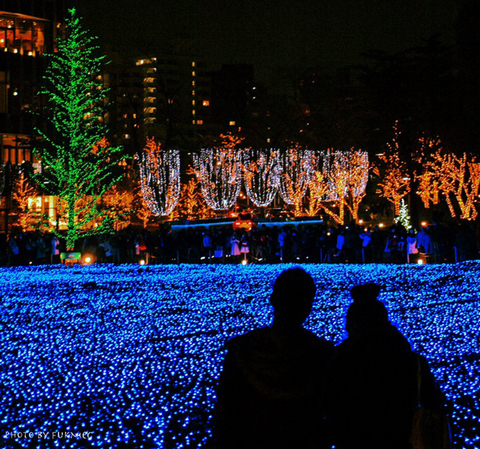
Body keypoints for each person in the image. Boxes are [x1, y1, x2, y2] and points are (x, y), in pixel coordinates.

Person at [215, 268, 333, 449]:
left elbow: (226, 413)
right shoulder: (322, 355)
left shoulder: (242, 350)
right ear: (309, 305)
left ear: (273, 300)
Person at [326, 283, 439, 449]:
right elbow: (432, 404)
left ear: (352, 323)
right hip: (399, 440)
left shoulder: (339, 360)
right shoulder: (411, 360)